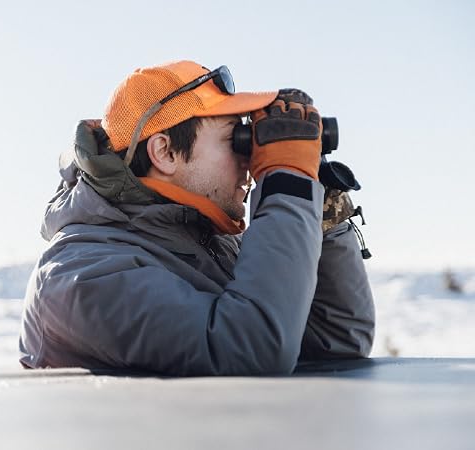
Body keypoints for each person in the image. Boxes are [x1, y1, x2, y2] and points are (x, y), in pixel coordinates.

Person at [19, 60, 375, 375]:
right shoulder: (80, 275)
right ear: (165, 152)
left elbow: (335, 343)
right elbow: (252, 349)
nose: (250, 160)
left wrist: (318, 202)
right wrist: (286, 182)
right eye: (234, 140)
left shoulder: (210, 245)